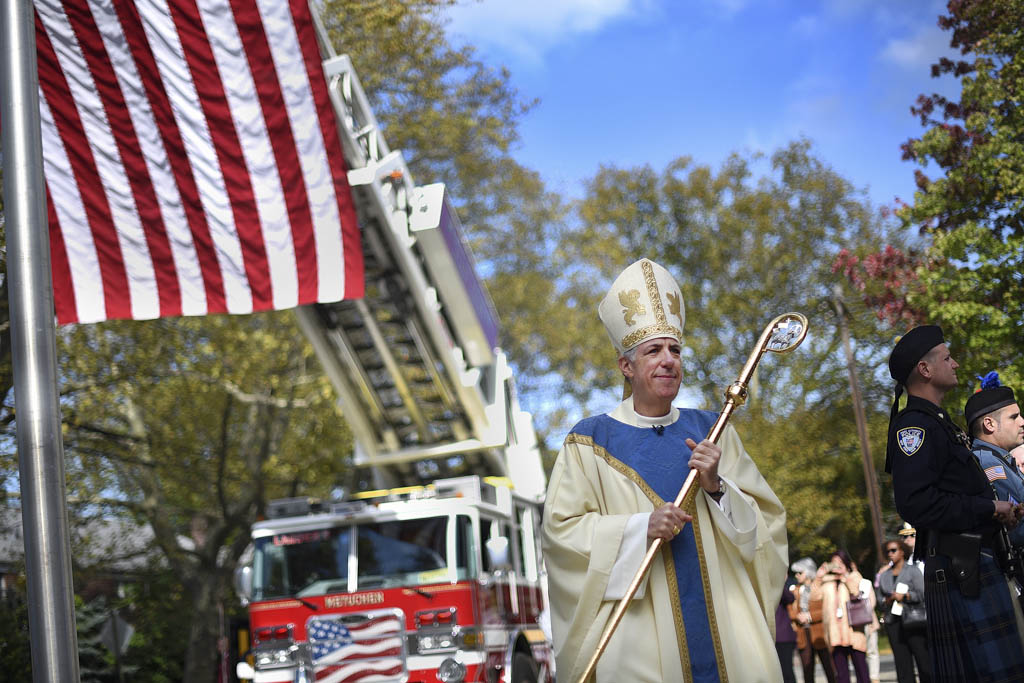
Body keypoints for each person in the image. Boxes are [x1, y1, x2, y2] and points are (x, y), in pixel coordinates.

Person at [541, 258, 789, 682]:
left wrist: (717, 487)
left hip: (725, 628)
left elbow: (766, 527)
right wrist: (639, 528)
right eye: (653, 350)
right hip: (639, 641)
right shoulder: (589, 442)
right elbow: (562, 534)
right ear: (626, 366)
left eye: (675, 349)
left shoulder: (715, 429)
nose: (668, 360)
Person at [885, 325, 1024, 681]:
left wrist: (998, 512)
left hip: (976, 564)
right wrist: (989, 509)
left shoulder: (941, 424)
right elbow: (917, 504)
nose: (956, 363)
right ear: (925, 369)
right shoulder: (913, 428)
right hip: (961, 570)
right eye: (947, 357)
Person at [965, 372, 1024, 548]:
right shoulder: (990, 464)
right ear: (989, 424)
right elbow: (1014, 531)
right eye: (1013, 417)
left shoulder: (999, 460)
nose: (1022, 422)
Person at [878, 539, 930, 683]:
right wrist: (888, 600)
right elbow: (879, 599)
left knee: (923, 659)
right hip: (894, 622)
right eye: (887, 551)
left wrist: (906, 596)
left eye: (893, 550)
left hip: (914, 620)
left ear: (902, 551)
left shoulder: (913, 571)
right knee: (902, 663)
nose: (890, 554)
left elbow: (922, 594)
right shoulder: (884, 575)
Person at [817, 550, 869, 683]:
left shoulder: (854, 576)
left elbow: (857, 592)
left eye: (840, 563)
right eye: (834, 563)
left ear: (846, 563)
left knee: (862, 671)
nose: (837, 566)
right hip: (835, 634)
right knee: (841, 675)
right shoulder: (826, 582)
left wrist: (845, 576)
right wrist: (819, 577)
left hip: (853, 631)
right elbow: (814, 596)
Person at [789, 557, 837, 683]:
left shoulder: (820, 588)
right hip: (802, 634)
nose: (797, 575)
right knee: (807, 669)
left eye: (800, 572)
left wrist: (810, 616)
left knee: (830, 668)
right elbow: (789, 608)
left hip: (820, 633)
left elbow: (826, 610)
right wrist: (797, 616)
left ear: (808, 572)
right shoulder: (795, 590)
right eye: (796, 573)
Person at [777, 578, 798, 683]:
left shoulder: (778, 586)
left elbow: (790, 597)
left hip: (783, 637)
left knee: (787, 672)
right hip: (773, 636)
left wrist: (778, 580)